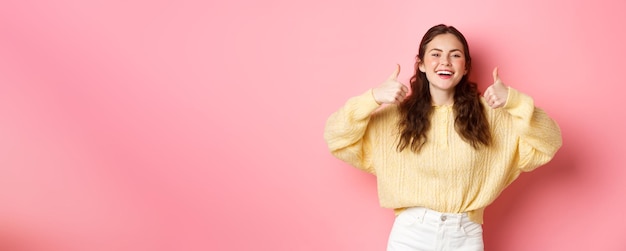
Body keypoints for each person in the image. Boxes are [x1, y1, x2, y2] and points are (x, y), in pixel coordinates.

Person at [323, 24, 562, 251]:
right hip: (410, 235)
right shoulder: (395, 117)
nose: (445, 62)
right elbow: (336, 137)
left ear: (466, 66)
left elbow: (549, 142)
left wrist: (514, 100)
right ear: (422, 64)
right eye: (435, 54)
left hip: (466, 236)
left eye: (455, 55)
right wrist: (373, 97)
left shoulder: (492, 116)